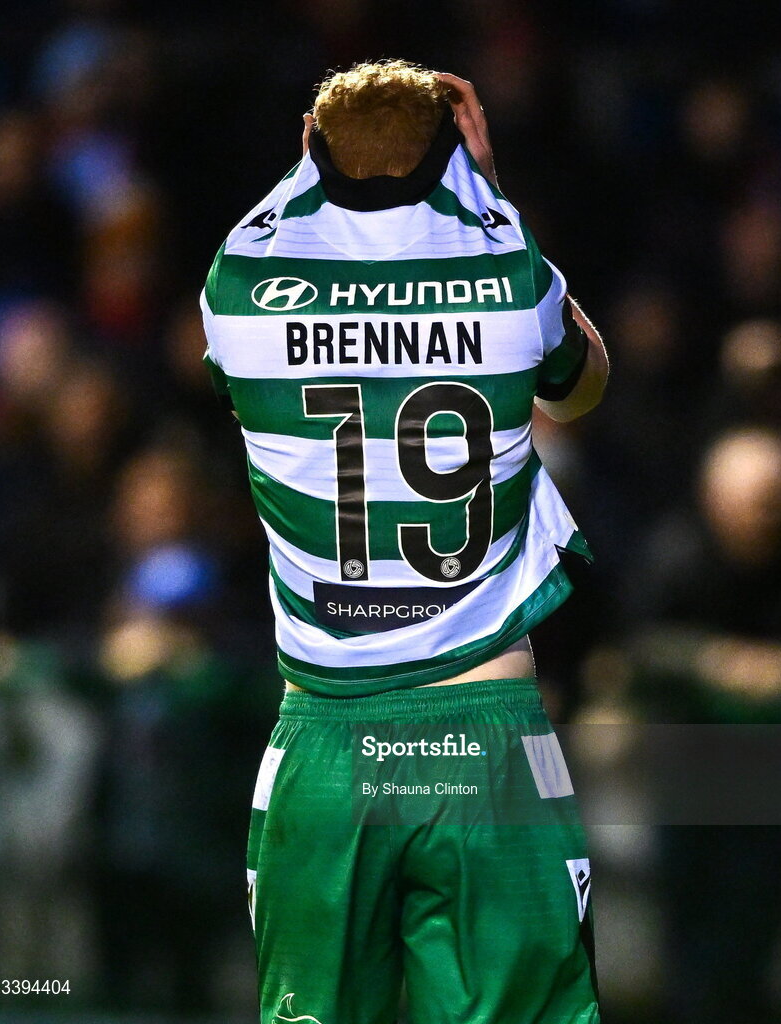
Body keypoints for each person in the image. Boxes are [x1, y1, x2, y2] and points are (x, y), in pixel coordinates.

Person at [201, 60, 608, 1024]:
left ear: (309, 145)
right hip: (489, 736)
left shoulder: (240, 284)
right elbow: (583, 386)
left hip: (325, 744)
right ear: (451, 165)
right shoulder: (508, 268)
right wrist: (489, 189)